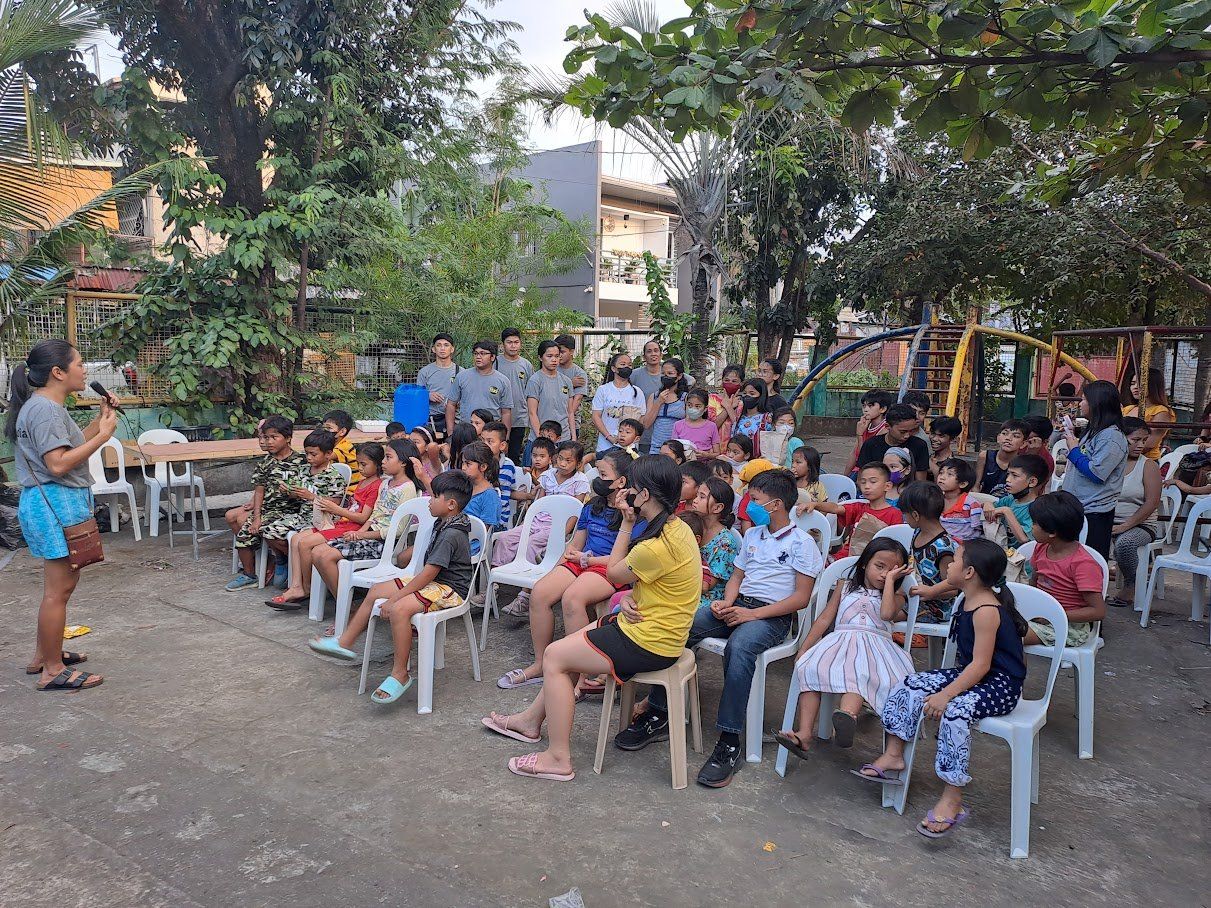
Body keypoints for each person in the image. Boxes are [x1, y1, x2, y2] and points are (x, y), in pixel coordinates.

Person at [481, 455, 700, 783]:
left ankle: (558, 758)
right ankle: (529, 721)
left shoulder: (653, 546)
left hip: (649, 640)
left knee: (555, 657)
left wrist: (626, 524)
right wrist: (629, 598)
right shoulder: (677, 528)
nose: (623, 490)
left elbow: (614, 571)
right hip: (651, 626)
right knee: (567, 648)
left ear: (645, 495)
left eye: (631, 486)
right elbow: (660, 585)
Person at [617, 468, 820, 787]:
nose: (749, 506)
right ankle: (659, 712)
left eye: (755, 500)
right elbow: (737, 577)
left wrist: (751, 615)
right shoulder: (752, 535)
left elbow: (801, 598)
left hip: (771, 616)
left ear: (777, 504)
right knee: (682, 627)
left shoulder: (802, 544)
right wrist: (727, 602)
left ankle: (729, 740)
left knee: (740, 649)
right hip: (739, 605)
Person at [860, 539, 1027, 840]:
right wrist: (928, 591)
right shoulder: (969, 593)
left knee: (955, 712)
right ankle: (894, 754)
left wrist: (946, 694)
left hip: (1000, 683)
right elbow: (948, 587)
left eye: (956, 560)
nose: (949, 564)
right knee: (911, 683)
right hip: (972, 674)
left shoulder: (987, 610)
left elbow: (980, 667)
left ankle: (953, 798)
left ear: (970, 572)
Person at [309, 469, 475, 703]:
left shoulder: (452, 533)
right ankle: (344, 642)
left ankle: (400, 674)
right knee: (376, 590)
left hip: (450, 589)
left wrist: (396, 598)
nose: (429, 499)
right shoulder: (445, 519)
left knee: (398, 609)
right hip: (433, 582)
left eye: (434, 496)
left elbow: (429, 574)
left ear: (450, 504)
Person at [8, 339, 116, 691]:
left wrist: (100, 423)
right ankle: (52, 670)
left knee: (59, 587)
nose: (85, 371)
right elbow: (57, 465)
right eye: (80, 364)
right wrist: (102, 439)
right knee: (59, 589)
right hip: (55, 503)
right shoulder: (46, 410)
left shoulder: (44, 407)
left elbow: (66, 449)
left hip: (53, 503)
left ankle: (45, 655)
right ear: (58, 372)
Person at [495, 450, 634, 690]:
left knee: (573, 598)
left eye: (602, 474)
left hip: (607, 567)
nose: (597, 480)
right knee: (540, 592)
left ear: (621, 481)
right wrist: (559, 566)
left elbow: (625, 558)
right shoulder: (593, 506)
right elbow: (576, 544)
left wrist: (587, 561)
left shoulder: (631, 514)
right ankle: (540, 664)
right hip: (581, 561)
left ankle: (578, 674)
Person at [775, 537, 913, 758]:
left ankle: (846, 717)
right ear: (865, 563)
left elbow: (887, 614)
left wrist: (890, 584)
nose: (884, 574)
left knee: (859, 672)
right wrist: (805, 647)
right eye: (880, 566)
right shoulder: (845, 586)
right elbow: (824, 619)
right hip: (840, 641)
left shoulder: (897, 596)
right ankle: (804, 733)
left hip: (876, 647)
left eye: (892, 571)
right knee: (810, 667)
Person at [476, 439, 590, 617]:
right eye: (560, 458)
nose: (563, 463)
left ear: (578, 463)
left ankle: (524, 596)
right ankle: (494, 584)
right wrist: (526, 523)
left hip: (556, 527)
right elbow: (539, 503)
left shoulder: (580, 481)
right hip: (537, 521)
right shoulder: (548, 476)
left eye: (568, 461)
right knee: (505, 538)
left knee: (531, 544)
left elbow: (576, 511)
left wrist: (562, 533)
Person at [269, 442, 385, 609]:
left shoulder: (376, 486)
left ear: (377, 464)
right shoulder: (363, 482)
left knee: (305, 543)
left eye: (364, 464)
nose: (359, 468)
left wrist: (336, 509)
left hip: (350, 527)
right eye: (358, 463)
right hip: (342, 523)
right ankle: (297, 586)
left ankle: (307, 589)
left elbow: (362, 517)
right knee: (296, 539)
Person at [308, 439, 421, 597]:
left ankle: (345, 605)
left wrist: (363, 535)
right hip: (368, 536)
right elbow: (374, 515)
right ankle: (344, 603)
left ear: (403, 462)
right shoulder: (385, 484)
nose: (383, 462)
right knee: (316, 552)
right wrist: (359, 533)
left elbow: (398, 530)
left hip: (385, 544)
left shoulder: (407, 488)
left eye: (388, 457)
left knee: (326, 557)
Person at [226, 415, 310, 591]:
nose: (268, 442)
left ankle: (285, 559)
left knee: (269, 532)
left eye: (273, 437)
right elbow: (259, 491)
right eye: (265, 437)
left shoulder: (302, 462)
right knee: (244, 534)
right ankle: (250, 575)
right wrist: (257, 518)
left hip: (294, 510)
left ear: (287, 438)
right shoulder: (265, 464)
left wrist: (295, 493)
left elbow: (311, 488)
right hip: (270, 511)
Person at [1026, 491, 1107, 647]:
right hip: (1040, 617)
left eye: (1034, 523)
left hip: (1070, 627)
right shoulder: (1041, 548)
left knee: (1008, 637)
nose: (1031, 526)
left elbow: (1098, 611)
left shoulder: (1083, 564)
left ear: (1052, 532)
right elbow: (1034, 582)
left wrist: (1053, 615)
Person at [1060, 380, 1128, 558]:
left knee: (1091, 559)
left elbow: (1097, 473)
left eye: (1084, 400)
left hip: (1095, 510)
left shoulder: (1111, 437)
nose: (1080, 403)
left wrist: (1074, 450)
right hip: (1078, 505)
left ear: (1097, 404)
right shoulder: (1094, 430)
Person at [1109, 418, 1162, 608]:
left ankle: (1131, 584)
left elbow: (1152, 503)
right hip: (1109, 520)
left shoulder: (1148, 466)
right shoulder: (1110, 462)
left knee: (1126, 542)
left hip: (1141, 525)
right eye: (1135, 440)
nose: (1141, 445)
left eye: (1144, 440)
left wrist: (1125, 525)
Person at [801, 463, 904, 559]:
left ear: (887, 486)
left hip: (875, 560)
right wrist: (815, 504)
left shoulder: (894, 514)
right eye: (863, 482)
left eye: (873, 482)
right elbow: (836, 508)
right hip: (848, 555)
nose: (867, 486)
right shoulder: (859, 507)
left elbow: (895, 545)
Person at [898, 482, 958, 623]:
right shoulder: (918, 532)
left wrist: (931, 592)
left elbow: (953, 586)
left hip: (937, 608)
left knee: (887, 614)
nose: (904, 518)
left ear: (915, 515)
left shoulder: (943, 547)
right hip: (916, 596)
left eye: (905, 514)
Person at [691, 477, 740, 610]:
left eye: (702, 497)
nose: (695, 500)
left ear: (718, 507)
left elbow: (707, 585)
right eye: (697, 495)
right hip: (686, 586)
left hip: (707, 598)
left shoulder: (725, 542)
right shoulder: (692, 525)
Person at [446, 339, 513, 431]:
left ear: (492, 357)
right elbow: (451, 404)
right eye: (476, 353)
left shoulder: (503, 380)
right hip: (466, 430)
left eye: (483, 353)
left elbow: (506, 412)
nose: (478, 357)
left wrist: (506, 438)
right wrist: (450, 432)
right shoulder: (461, 376)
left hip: (491, 432)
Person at [856, 403, 931, 483]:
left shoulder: (919, 445)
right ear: (887, 426)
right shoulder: (871, 445)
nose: (907, 435)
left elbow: (920, 482)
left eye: (911, 431)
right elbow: (862, 479)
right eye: (903, 432)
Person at [987, 454, 1048, 547]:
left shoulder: (1037, 509)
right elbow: (993, 506)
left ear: (1032, 482)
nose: (1008, 480)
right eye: (1008, 474)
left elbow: (1024, 539)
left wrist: (1006, 511)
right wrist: (987, 504)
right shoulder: (1011, 499)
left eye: (1014, 475)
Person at [591, 351, 645, 453]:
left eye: (629, 365)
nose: (627, 367)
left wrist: (631, 439)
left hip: (629, 448)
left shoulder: (637, 392)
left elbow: (641, 419)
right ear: (613, 368)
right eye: (623, 364)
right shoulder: (603, 389)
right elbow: (596, 416)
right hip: (605, 445)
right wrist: (609, 437)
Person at [526, 339, 576, 445]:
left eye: (557, 356)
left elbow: (570, 412)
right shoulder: (535, 380)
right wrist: (541, 439)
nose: (554, 359)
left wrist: (574, 437)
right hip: (542, 440)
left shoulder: (566, 381)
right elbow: (532, 413)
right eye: (549, 356)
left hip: (564, 438)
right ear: (540, 357)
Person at [1121, 366, 1175, 461]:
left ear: (1153, 385)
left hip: (1146, 460)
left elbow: (1148, 444)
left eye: (1141, 384)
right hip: (1121, 457)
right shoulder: (1128, 409)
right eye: (1133, 383)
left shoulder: (1161, 412)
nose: (1135, 387)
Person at [497, 328, 534, 463]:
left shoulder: (526, 365)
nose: (513, 345)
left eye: (516, 342)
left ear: (520, 344)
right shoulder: (495, 362)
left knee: (514, 454)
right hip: (498, 417)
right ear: (503, 345)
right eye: (509, 342)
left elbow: (531, 392)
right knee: (497, 454)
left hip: (519, 417)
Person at [642, 357, 690, 455]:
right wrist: (659, 402)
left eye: (670, 373)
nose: (666, 376)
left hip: (676, 450)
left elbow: (689, 424)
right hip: (656, 449)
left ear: (679, 376)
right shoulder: (654, 396)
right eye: (663, 373)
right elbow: (646, 424)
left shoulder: (685, 398)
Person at [416, 333, 458, 439]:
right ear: (434, 349)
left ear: (452, 349)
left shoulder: (461, 372)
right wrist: (427, 395)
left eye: (446, 345)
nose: (442, 348)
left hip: (456, 419)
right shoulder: (424, 372)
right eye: (439, 345)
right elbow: (416, 399)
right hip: (431, 420)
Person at [844, 389, 895, 476]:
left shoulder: (885, 429)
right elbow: (854, 453)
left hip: (873, 472)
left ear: (883, 409)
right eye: (864, 406)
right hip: (859, 470)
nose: (866, 410)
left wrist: (859, 435)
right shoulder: (865, 424)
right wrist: (844, 477)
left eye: (870, 406)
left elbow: (864, 457)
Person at [457, 440, 503, 535]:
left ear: (483, 467)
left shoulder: (489, 496)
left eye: (468, 464)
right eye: (463, 463)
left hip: (473, 544)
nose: (463, 468)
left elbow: (484, 531)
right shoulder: (464, 486)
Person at [723, 378, 774, 459]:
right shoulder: (739, 416)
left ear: (761, 396)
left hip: (756, 462)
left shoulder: (766, 418)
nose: (747, 396)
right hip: (736, 461)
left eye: (752, 393)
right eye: (745, 393)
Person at [977, 419, 1029, 497]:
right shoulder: (985, 456)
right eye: (1005, 433)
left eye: (1016, 436)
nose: (1008, 438)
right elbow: (976, 485)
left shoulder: (1024, 464)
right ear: (998, 438)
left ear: (1023, 443)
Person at [937, 458, 983, 543]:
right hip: (941, 545)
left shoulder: (971, 504)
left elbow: (977, 532)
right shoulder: (935, 500)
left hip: (965, 547)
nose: (942, 477)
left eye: (949, 474)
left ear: (963, 484)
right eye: (941, 472)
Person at [480, 422, 517, 528]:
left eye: (490, 441)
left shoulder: (508, 465)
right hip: (480, 515)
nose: (484, 445)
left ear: (502, 445)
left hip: (499, 520)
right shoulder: (477, 464)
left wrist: (528, 495)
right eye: (482, 440)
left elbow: (510, 491)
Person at [672, 388, 721, 457]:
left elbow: (717, 453)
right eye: (689, 405)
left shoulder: (711, 426)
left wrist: (706, 455)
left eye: (697, 406)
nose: (693, 409)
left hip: (704, 465)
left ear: (705, 409)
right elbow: (673, 449)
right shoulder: (678, 425)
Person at [321, 410, 361, 491]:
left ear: (342, 431)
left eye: (329, 428)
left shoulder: (345, 447)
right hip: (338, 487)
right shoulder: (332, 445)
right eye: (323, 428)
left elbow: (323, 457)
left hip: (350, 491)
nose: (325, 431)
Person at [554, 334, 589, 416]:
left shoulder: (579, 373)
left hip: (572, 420)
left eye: (562, 352)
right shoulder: (551, 369)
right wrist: (570, 384)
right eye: (557, 352)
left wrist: (568, 417)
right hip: (551, 418)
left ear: (572, 352)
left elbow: (577, 399)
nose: (559, 355)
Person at [1020, 413, 1055, 479]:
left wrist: (1031, 456)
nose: (1021, 441)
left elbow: (1034, 488)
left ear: (1044, 442)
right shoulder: (1014, 448)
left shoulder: (1046, 462)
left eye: (1028, 439)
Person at [631, 339, 665, 406]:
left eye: (656, 351)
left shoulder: (668, 373)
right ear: (644, 357)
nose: (653, 354)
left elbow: (690, 380)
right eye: (649, 351)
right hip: (642, 414)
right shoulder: (634, 374)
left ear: (661, 355)